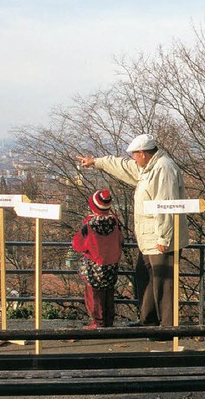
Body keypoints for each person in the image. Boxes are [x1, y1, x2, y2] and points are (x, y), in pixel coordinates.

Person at [77, 134, 188, 330]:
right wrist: (97, 162)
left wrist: (164, 237)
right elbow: (123, 166)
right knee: (146, 277)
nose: (133, 159)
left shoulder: (163, 168)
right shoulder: (149, 167)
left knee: (163, 282)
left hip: (159, 237)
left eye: (135, 155)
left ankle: (167, 327)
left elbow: (165, 205)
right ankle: (149, 321)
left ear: (143, 153)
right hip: (149, 238)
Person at [72, 189, 124, 329]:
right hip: (112, 264)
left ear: (93, 206)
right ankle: (108, 322)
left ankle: (98, 323)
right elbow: (121, 239)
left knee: (94, 294)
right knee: (109, 293)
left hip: (94, 265)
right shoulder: (115, 221)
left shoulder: (89, 224)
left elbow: (78, 245)